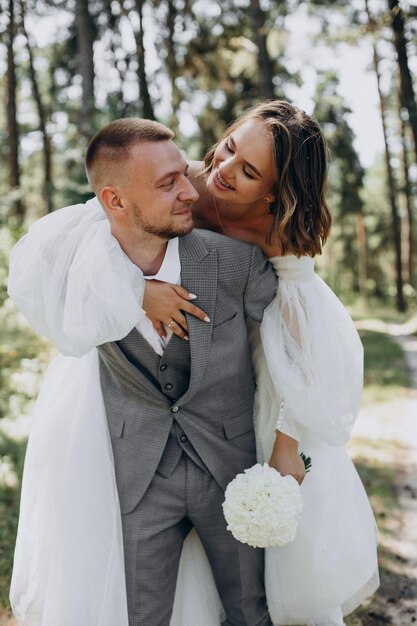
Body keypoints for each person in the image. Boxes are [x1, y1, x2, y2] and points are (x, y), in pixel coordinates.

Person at [8, 102, 379, 626]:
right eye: (228, 147)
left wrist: (287, 442)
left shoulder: (274, 232)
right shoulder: (181, 179)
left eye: (248, 172)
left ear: (274, 192)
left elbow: (298, 343)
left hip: (246, 351)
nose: (222, 171)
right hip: (142, 375)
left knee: (254, 567)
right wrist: (137, 290)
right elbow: (70, 240)